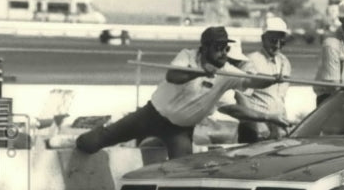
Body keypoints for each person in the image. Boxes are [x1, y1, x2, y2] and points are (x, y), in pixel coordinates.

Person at [73, 27, 272, 160]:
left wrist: (271, 78)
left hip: (179, 131)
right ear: (204, 48)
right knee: (99, 139)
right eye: (219, 47)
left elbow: (252, 80)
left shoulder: (227, 71)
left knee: (183, 172)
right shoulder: (187, 55)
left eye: (226, 48)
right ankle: (75, 145)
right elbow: (173, 76)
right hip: (150, 115)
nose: (224, 53)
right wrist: (202, 72)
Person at [225, 16, 293, 143]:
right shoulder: (251, 61)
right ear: (263, 39)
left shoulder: (285, 62)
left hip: (278, 130)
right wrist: (258, 127)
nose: (277, 45)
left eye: (282, 41)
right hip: (258, 131)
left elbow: (280, 98)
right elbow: (241, 97)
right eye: (273, 40)